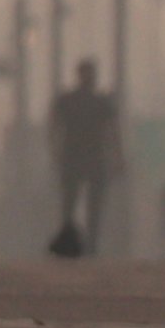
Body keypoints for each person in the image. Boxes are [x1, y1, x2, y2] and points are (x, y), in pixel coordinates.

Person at [48, 58, 120, 259]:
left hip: (83, 157)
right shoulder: (97, 102)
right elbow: (113, 132)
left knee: (82, 204)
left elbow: (112, 132)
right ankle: (82, 244)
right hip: (82, 157)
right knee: (76, 204)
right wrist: (117, 156)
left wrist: (55, 152)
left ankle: (84, 244)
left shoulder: (72, 101)